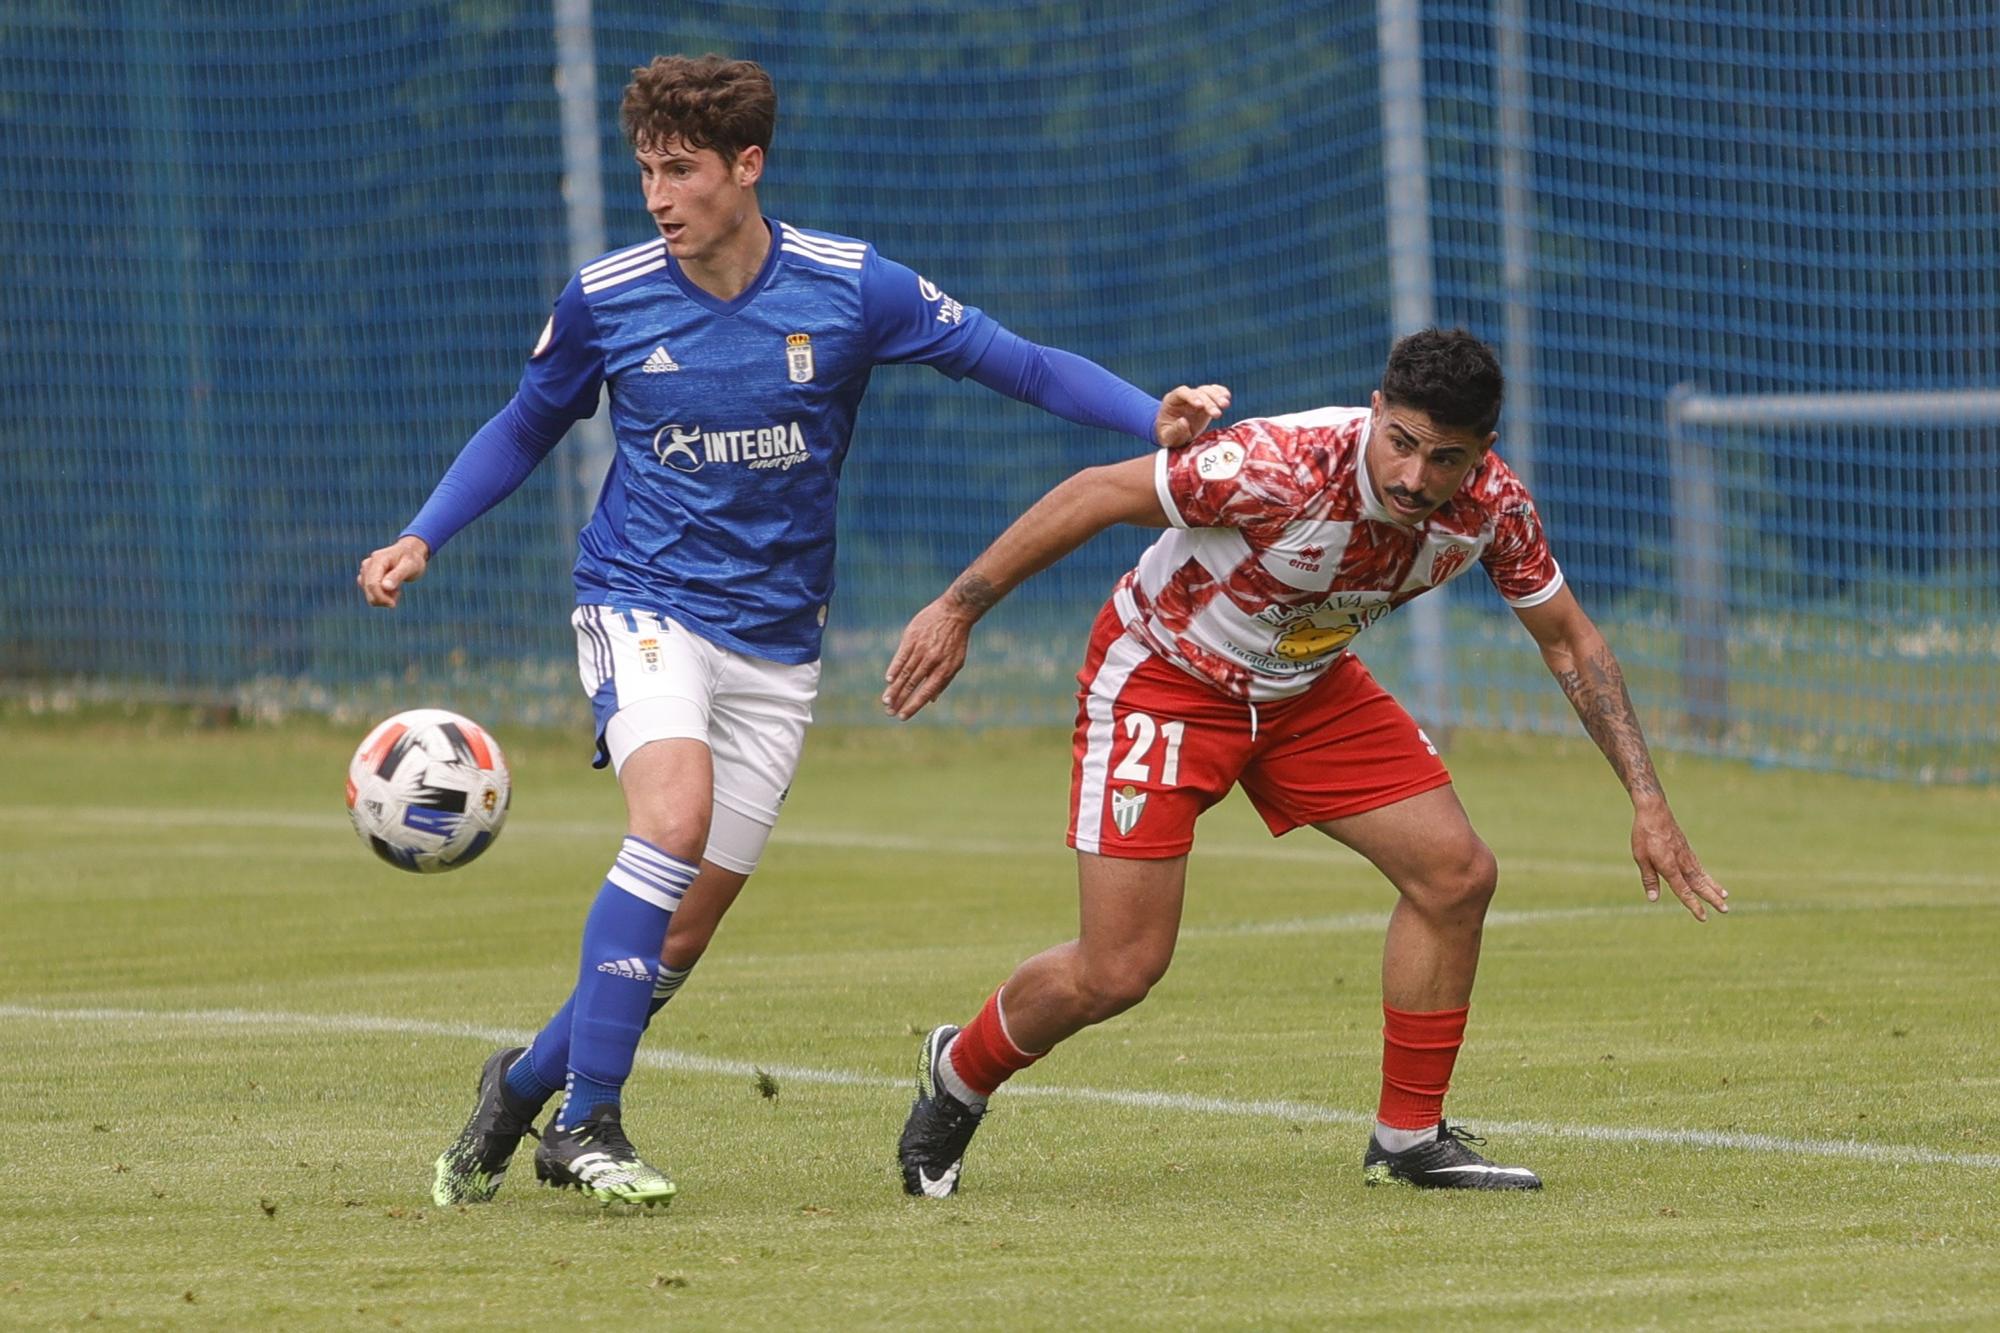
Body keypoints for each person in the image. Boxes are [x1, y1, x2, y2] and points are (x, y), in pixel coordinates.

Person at [356, 53, 1229, 1208]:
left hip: (773, 639)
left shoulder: (848, 287)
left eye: (682, 170)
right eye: (646, 171)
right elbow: (525, 425)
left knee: (677, 937)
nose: (659, 196)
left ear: (746, 166)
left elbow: (1011, 361)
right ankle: (589, 1123)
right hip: (641, 596)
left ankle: (517, 1088)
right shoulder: (608, 294)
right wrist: (425, 534)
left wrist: (1150, 420)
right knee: (671, 819)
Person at [883, 326, 1727, 1196]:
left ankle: (1408, 1137)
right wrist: (957, 609)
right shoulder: (1278, 465)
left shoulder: (1493, 508)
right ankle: (959, 1075)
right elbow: (1096, 493)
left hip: (1306, 690)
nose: (1414, 477)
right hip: (1168, 679)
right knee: (1120, 967)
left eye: (1445, 458)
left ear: (1481, 453)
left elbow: (1571, 641)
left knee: (1456, 875)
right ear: (1375, 414)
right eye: (1400, 443)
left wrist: (1647, 800)